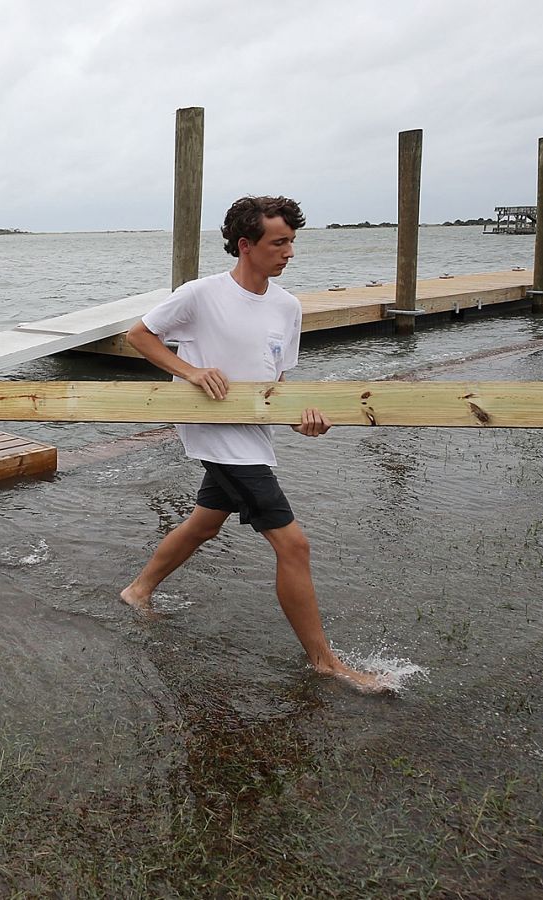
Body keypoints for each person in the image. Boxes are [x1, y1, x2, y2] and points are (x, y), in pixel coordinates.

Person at [120, 196, 388, 692]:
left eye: (291, 242)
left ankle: (138, 592)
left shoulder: (288, 307)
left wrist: (304, 421)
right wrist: (192, 371)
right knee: (294, 545)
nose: (289, 252)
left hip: (253, 434)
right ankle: (324, 661)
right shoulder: (201, 295)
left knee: (205, 522)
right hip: (214, 432)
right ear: (246, 245)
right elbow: (140, 335)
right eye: (278, 242)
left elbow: (276, 386)